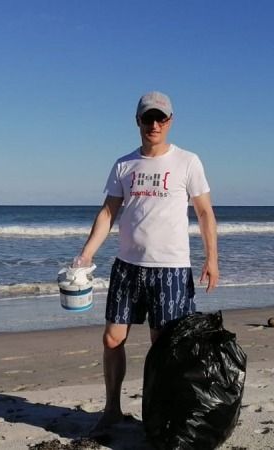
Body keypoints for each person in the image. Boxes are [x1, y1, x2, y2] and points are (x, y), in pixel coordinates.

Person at [76, 91, 219, 434]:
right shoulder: (124, 165)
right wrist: (86, 254)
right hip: (127, 267)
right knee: (112, 338)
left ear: (170, 121)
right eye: (147, 118)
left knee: (164, 345)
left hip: (170, 268)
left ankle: (161, 415)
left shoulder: (188, 162)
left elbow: (204, 213)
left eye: (161, 118)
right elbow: (109, 211)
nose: (154, 124)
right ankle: (112, 409)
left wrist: (212, 258)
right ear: (137, 121)